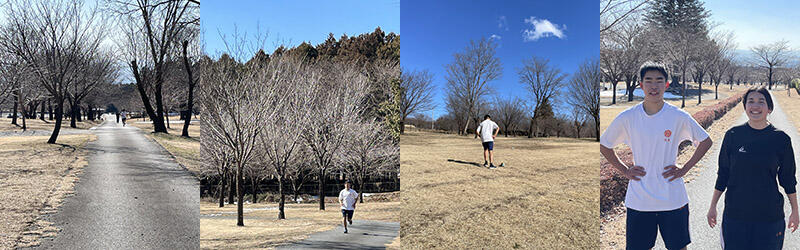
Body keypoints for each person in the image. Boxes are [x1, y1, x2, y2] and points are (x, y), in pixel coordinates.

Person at [600, 61, 713, 250]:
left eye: (659, 81)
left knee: (678, 247)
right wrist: (625, 170)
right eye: (649, 81)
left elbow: (706, 141)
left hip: (672, 197)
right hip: (639, 199)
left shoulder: (678, 116)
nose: (654, 86)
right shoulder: (628, 117)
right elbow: (604, 145)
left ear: (666, 84)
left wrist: (685, 168)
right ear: (641, 85)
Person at [707, 87, 799, 249]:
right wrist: (713, 206)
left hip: (770, 217)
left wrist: (795, 211)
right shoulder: (733, 135)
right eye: (751, 101)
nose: (755, 106)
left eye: (761, 102)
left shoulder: (781, 139)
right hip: (736, 215)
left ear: (769, 108)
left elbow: (788, 178)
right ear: (745, 107)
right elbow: (723, 174)